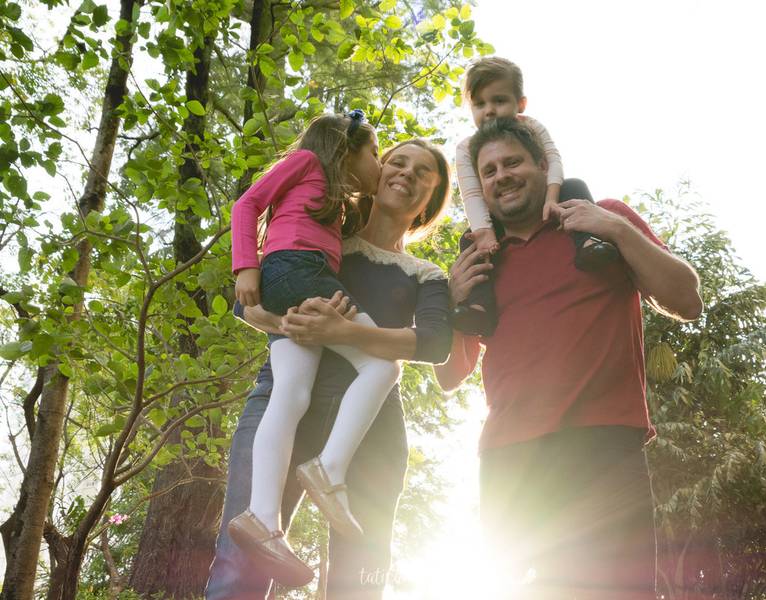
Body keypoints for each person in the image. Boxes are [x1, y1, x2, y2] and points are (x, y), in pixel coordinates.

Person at [436, 118, 703, 599]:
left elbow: (687, 300)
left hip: (603, 447)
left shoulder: (601, 222)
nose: (502, 176)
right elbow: (451, 375)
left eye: (512, 162)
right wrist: (452, 305)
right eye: (489, 171)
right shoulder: (479, 257)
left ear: (544, 165)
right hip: (509, 459)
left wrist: (617, 230)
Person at [207, 138, 452, 598]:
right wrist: (293, 323)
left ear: (431, 201)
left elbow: (436, 344)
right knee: (241, 567)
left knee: (359, 577)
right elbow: (249, 303)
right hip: (283, 400)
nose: (406, 173)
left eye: (423, 172)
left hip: (371, 426)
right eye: (397, 161)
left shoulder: (426, 274)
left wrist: (345, 332)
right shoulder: (322, 233)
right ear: (375, 172)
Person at [228, 111, 403, 584]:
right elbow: (247, 204)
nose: (380, 164)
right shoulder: (306, 161)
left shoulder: (337, 198)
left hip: (289, 278)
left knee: (292, 394)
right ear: (346, 148)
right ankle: (329, 469)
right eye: (374, 153)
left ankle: (263, 518)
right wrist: (245, 265)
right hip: (298, 270)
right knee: (383, 367)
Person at [451, 57, 619, 336]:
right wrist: (484, 232)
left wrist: (552, 198)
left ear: (520, 104)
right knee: (469, 241)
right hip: (497, 211)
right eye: (479, 104)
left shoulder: (532, 127)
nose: (489, 110)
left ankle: (588, 243)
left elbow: (553, 162)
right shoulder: (466, 148)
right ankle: (479, 306)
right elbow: (471, 193)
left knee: (575, 186)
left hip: (547, 194)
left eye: (499, 100)